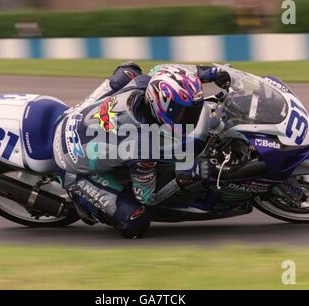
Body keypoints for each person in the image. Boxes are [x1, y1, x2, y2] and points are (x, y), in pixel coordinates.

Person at [53, 62, 230, 238]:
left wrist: (205, 73)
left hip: (76, 118)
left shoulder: (144, 83)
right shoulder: (142, 145)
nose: (191, 116)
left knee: (129, 70)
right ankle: (83, 202)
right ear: (164, 106)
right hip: (70, 165)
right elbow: (148, 197)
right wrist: (183, 178)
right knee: (135, 221)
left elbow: (165, 70)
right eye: (184, 112)